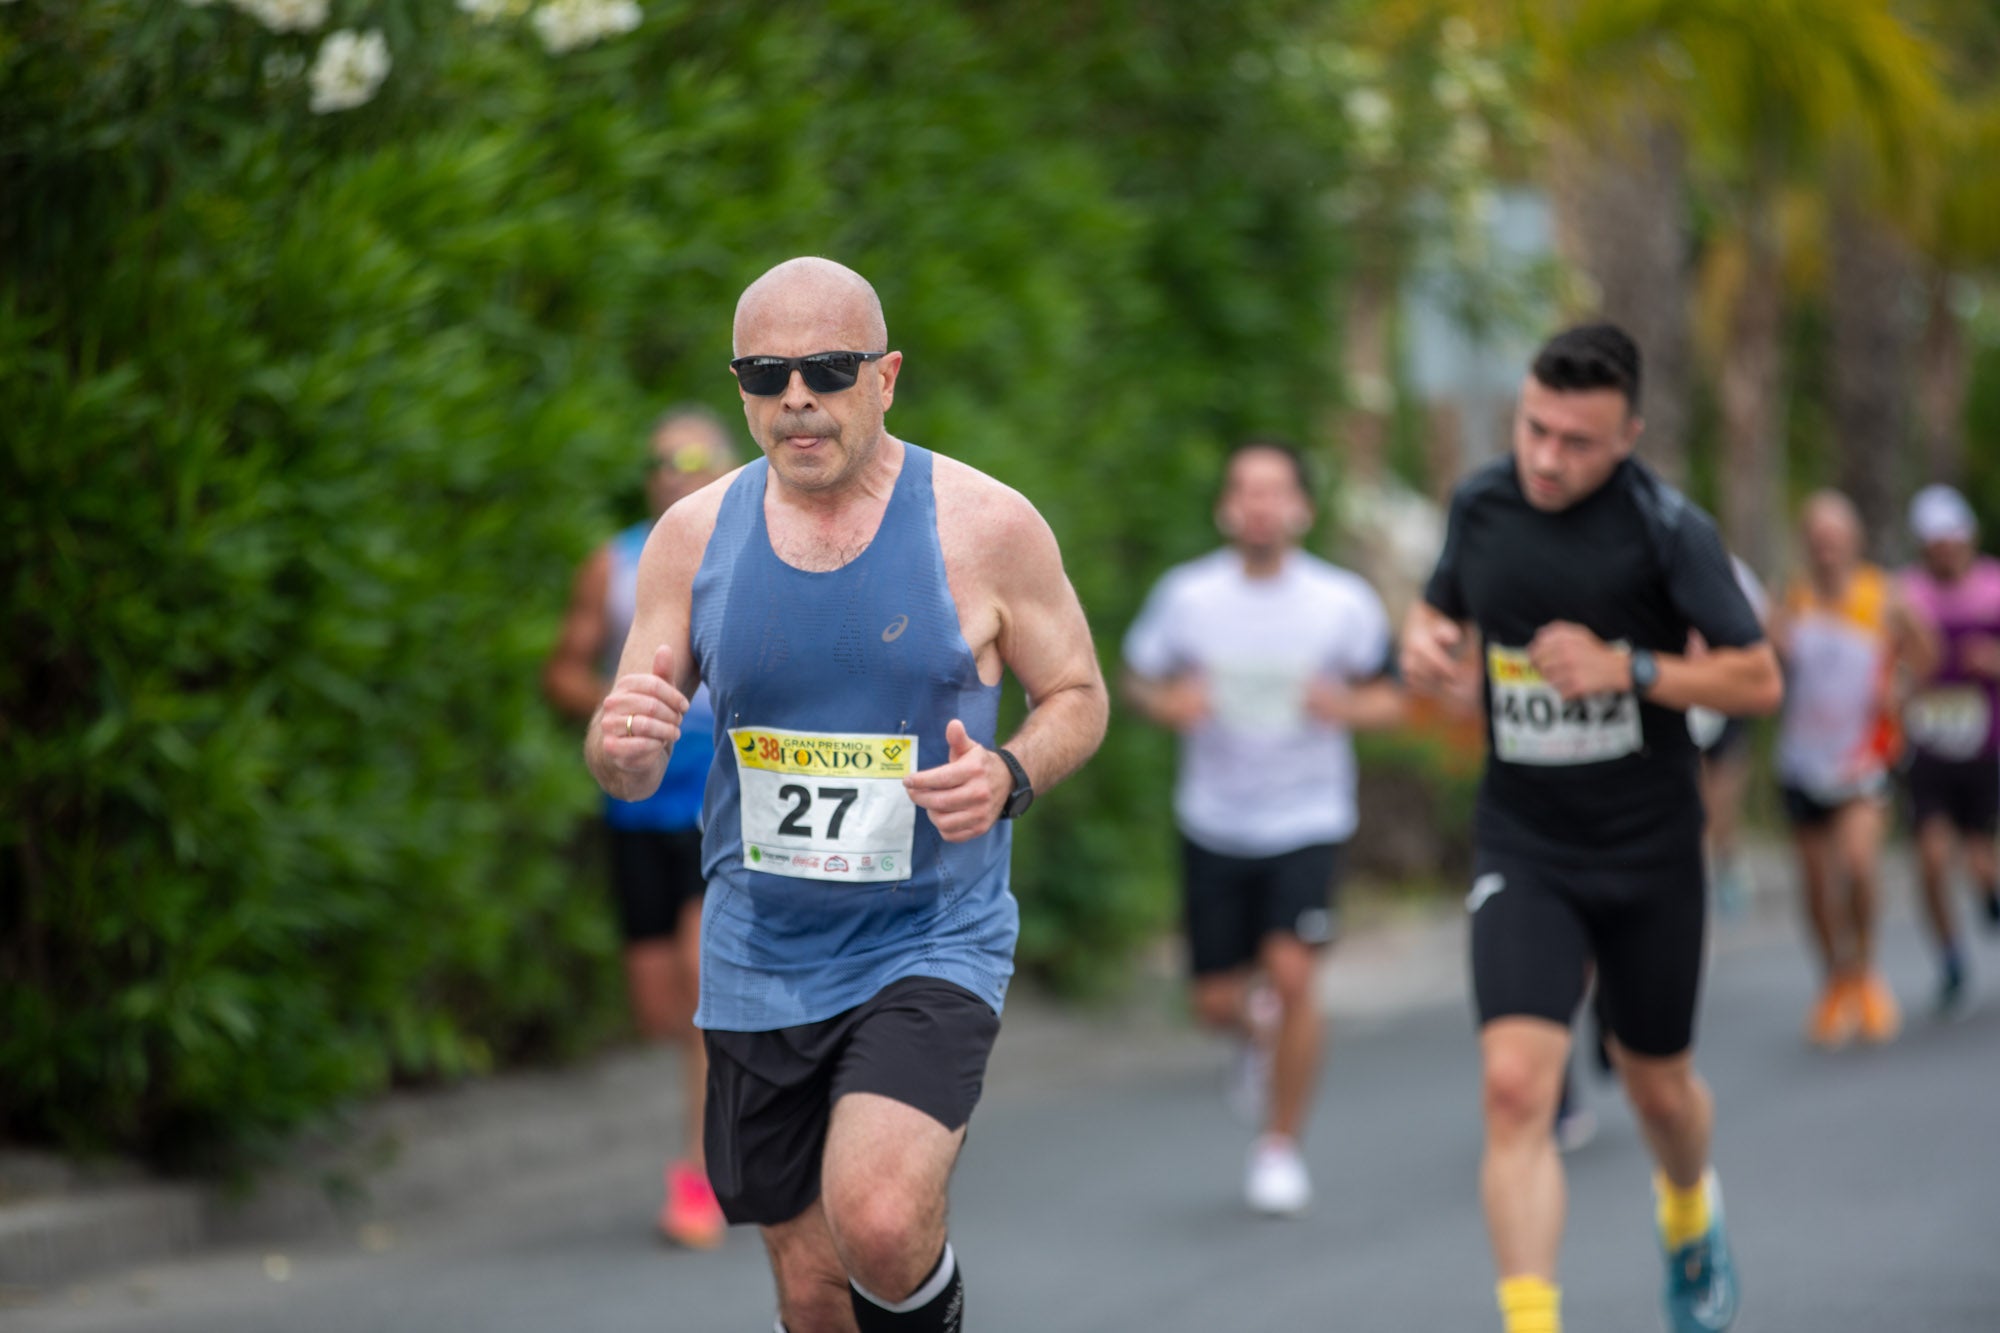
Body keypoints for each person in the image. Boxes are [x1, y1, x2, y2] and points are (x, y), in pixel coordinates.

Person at [586, 257, 1107, 1333]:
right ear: (739, 387)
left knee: (878, 1218)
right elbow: (627, 748)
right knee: (813, 1289)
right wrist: (618, 746)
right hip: (758, 954)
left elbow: (1077, 694)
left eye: (826, 369)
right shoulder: (693, 537)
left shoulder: (984, 525)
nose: (796, 398)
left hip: (929, 938)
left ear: (886, 377)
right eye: (764, 374)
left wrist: (1009, 773)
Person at [1402, 323, 1781, 1333]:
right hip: (1525, 842)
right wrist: (1423, 638)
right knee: (1513, 1088)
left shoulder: (1668, 528)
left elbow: (1757, 677)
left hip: (1649, 848)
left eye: (1576, 441)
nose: (1545, 456)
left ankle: (1688, 1211)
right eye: (1534, 428)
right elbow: (1439, 609)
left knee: (1659, 1091)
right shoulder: (1481, 504)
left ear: (1628, 437)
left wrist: (1630, 668)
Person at [1121, 440, 1403, 1216]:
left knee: (1294, 973)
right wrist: (1168, 702)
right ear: (1226, 506)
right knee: (1213, 1001)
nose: (1260, 505)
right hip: (1214, 819)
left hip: (1306, 817)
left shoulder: (1341, 602)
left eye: (1275, 490)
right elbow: (1136, 676)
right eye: (1246, 490)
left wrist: (1344, 705)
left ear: (1302, 508)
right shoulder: (1189, 596)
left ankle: (1279, 1146)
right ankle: (1253, 1035)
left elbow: (1395, 696)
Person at [543, 406, 737, 1248]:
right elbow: (564, 669)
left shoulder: (763, 552)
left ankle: (701, 1174)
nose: (674, 472)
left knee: (700, 980)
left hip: (726, 799)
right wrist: (626, 705)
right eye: (661, 460)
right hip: (638, 802)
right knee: (660, 1005)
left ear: (726, 465)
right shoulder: (615, 562)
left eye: (693, 458)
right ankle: (758, 1098)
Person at [1770, 491, 1930, 1047]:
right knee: (1815, 885)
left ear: (1854, 541)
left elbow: (1925, 651)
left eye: (1835, 539)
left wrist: (1901, 686)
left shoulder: (1883, 596)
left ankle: (1864, 970)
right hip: (1802, 760)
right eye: (1817, 540)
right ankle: (1834, 981)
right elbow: (1765, 666)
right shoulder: (1791, 599)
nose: (1827, 550)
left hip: (1862, 758)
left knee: (1858, 864)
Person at [1898, 483, 2000, 1017]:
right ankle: (1950, 954)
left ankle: (1989, 894)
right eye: (1936, 544)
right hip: (1929, 745)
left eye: (1953, 541)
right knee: (1933, 857)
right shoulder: (1904, 594)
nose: (1946, 552)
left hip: (1986, 741)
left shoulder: (1994, 587)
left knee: (1981, 856)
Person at [1689, 556, 1771, 918]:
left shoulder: (1729, 568)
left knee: (1722, 800)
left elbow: (1761, 629)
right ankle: (1701, 873)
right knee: (1693, 803)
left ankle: (1726, 861)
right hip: (1682, 695)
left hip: (1724, 697)